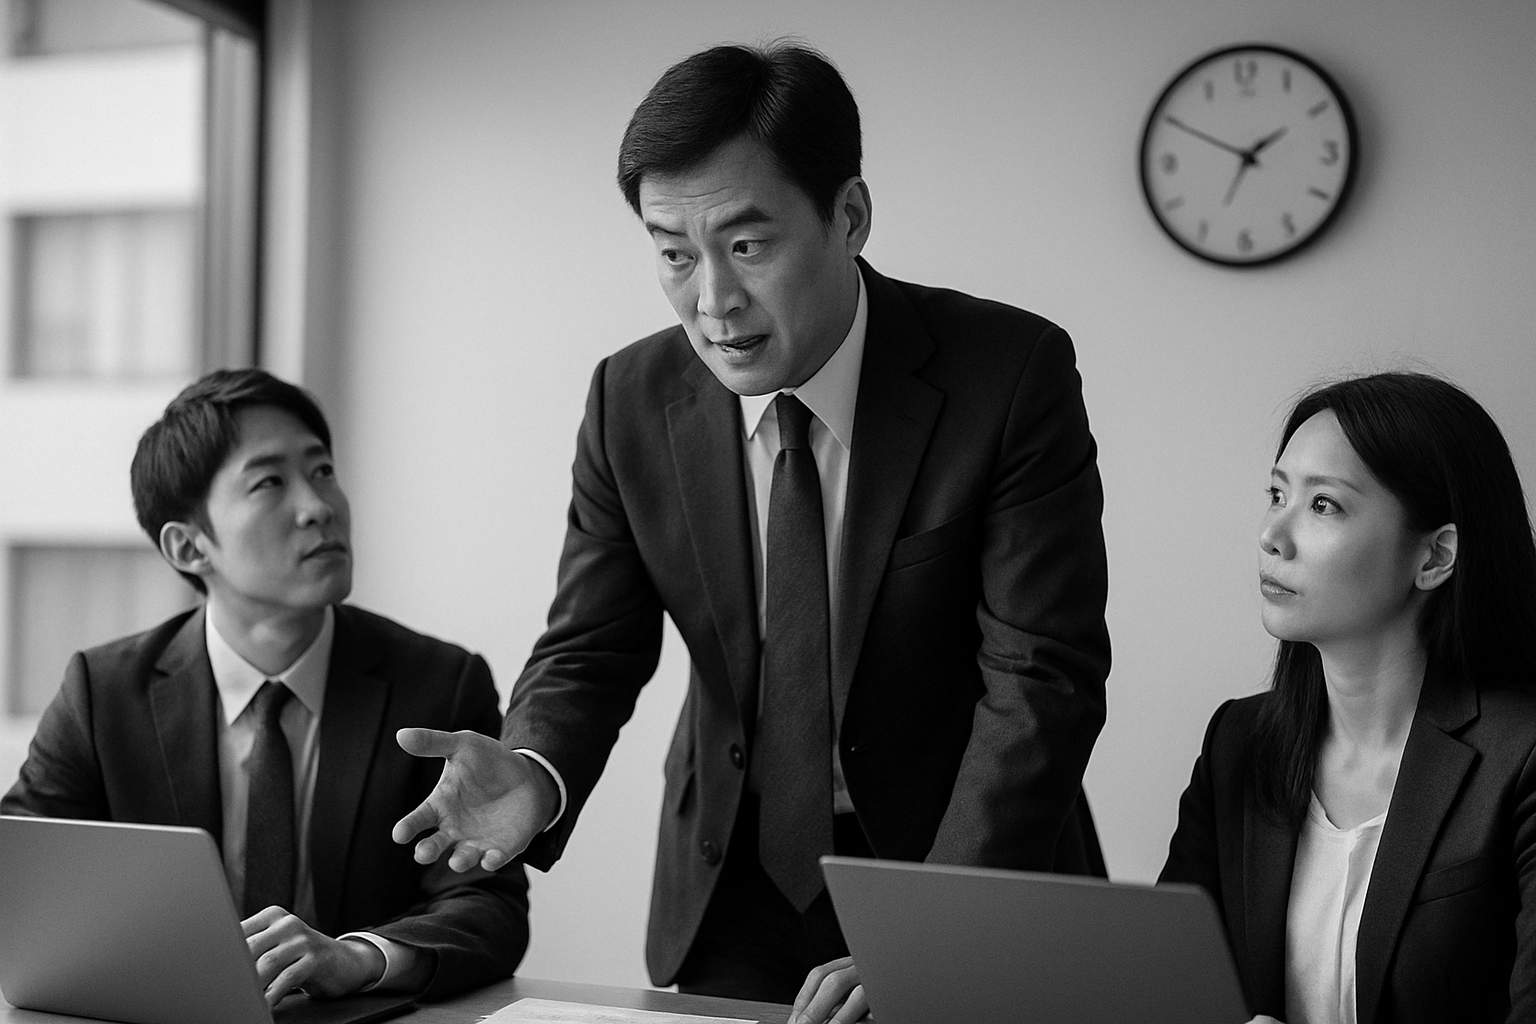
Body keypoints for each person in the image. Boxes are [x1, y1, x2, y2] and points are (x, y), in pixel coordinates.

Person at [392, 41, 1111, 1009]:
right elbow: (591, 647)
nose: (712, 300)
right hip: (735, 883)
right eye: (673, 253)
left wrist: (932, 926)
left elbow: (1040, 678)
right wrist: (533, 765)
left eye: (748, 244)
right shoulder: (631, 397)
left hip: (959, 865)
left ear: (848, 216)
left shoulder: (1006, 373)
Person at [2, 369, 530, 1005]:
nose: (318, 506)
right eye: (270, 482)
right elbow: (23, 874)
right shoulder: (104, 691)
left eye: (323, 470)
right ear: (190, 547)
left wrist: (359, 957)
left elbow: (487, 906)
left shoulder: (437, 685)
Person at [1160, 372, 1536, 1024]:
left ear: (1436, 556)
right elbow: (1164, 989)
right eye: (1276, 493)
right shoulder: (1238, 744)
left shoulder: (1523, 756)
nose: (1273, 534)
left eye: (1323, 505)